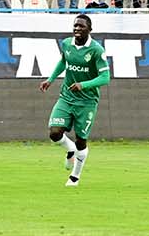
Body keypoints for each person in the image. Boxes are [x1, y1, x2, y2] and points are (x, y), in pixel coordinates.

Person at [38, 13, 111, 187]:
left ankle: (75, 177)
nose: (77, 29)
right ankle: (69, 149)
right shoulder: (66, 44)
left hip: (87, 101)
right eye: (75, 26)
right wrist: (50, 79)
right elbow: (64, 62)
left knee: (81, 140)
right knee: (55, 133)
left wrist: (83, 85)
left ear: (90, 30)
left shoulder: (96, 50)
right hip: (67, 97)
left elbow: (105, 77)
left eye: (81, 26)